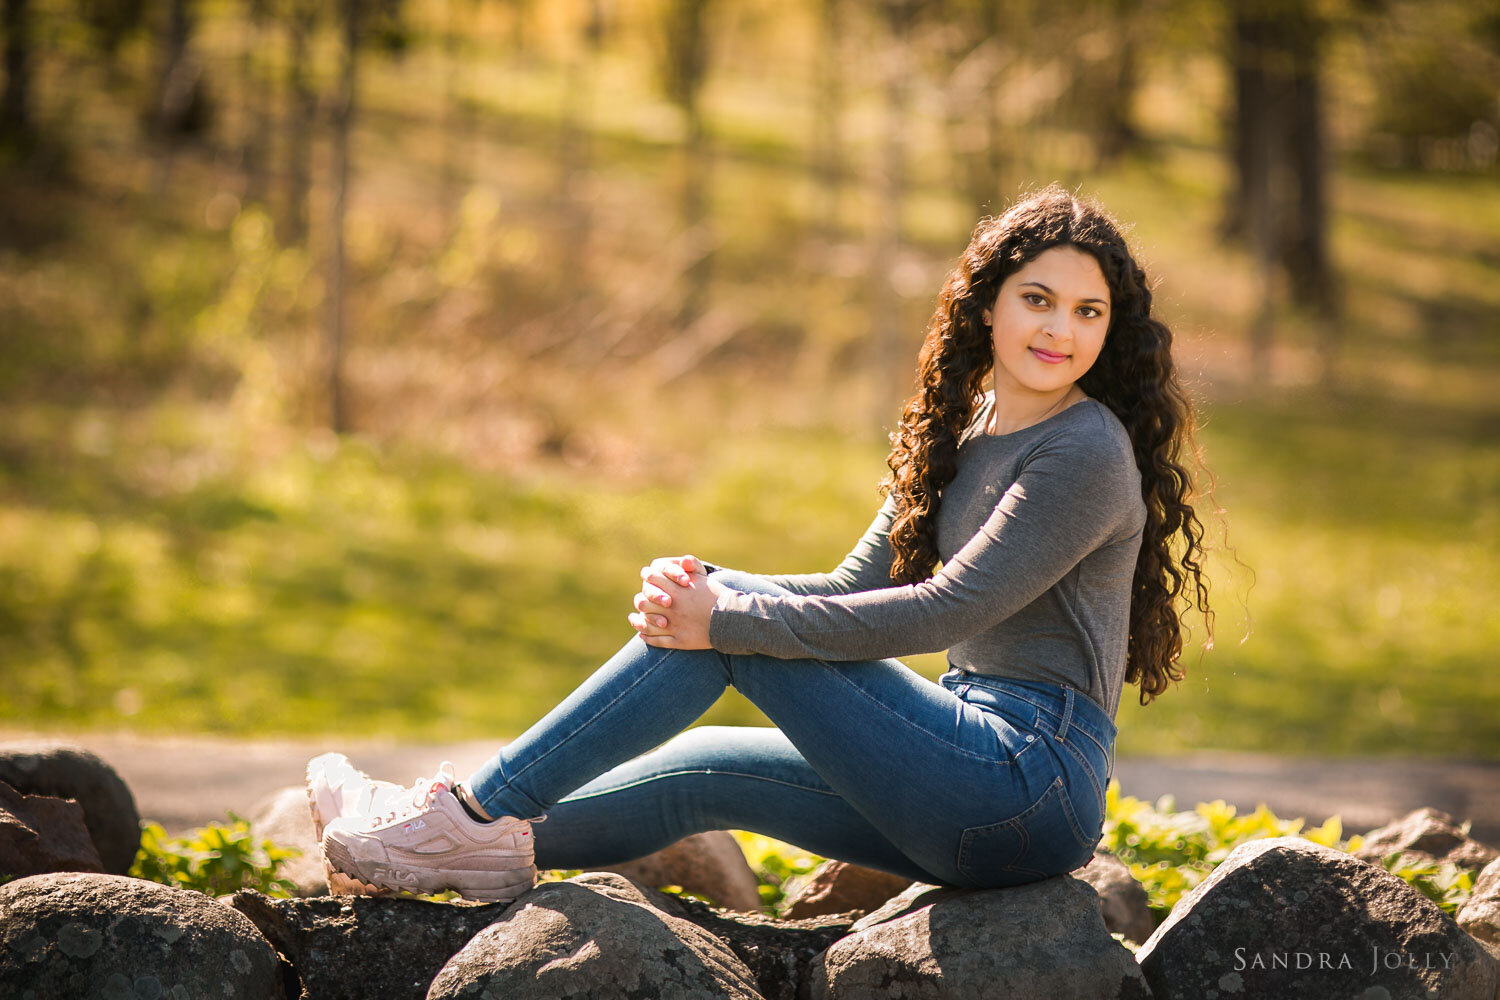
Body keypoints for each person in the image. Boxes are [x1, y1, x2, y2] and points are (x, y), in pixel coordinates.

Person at [308, 184, 1215, 903]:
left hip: (1027, 782)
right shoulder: (968, 428)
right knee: (701, 774)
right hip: (961, 771)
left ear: (1110, 328)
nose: (1061, 330)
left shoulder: (1086, 450)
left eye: (1088, 313)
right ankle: (452, 846)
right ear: (989, 306)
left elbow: (948, 610)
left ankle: (462, 815)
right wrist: (711, 583)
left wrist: (727, 615)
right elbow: (850, 584)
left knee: (736, 636)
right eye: (1040, 300)